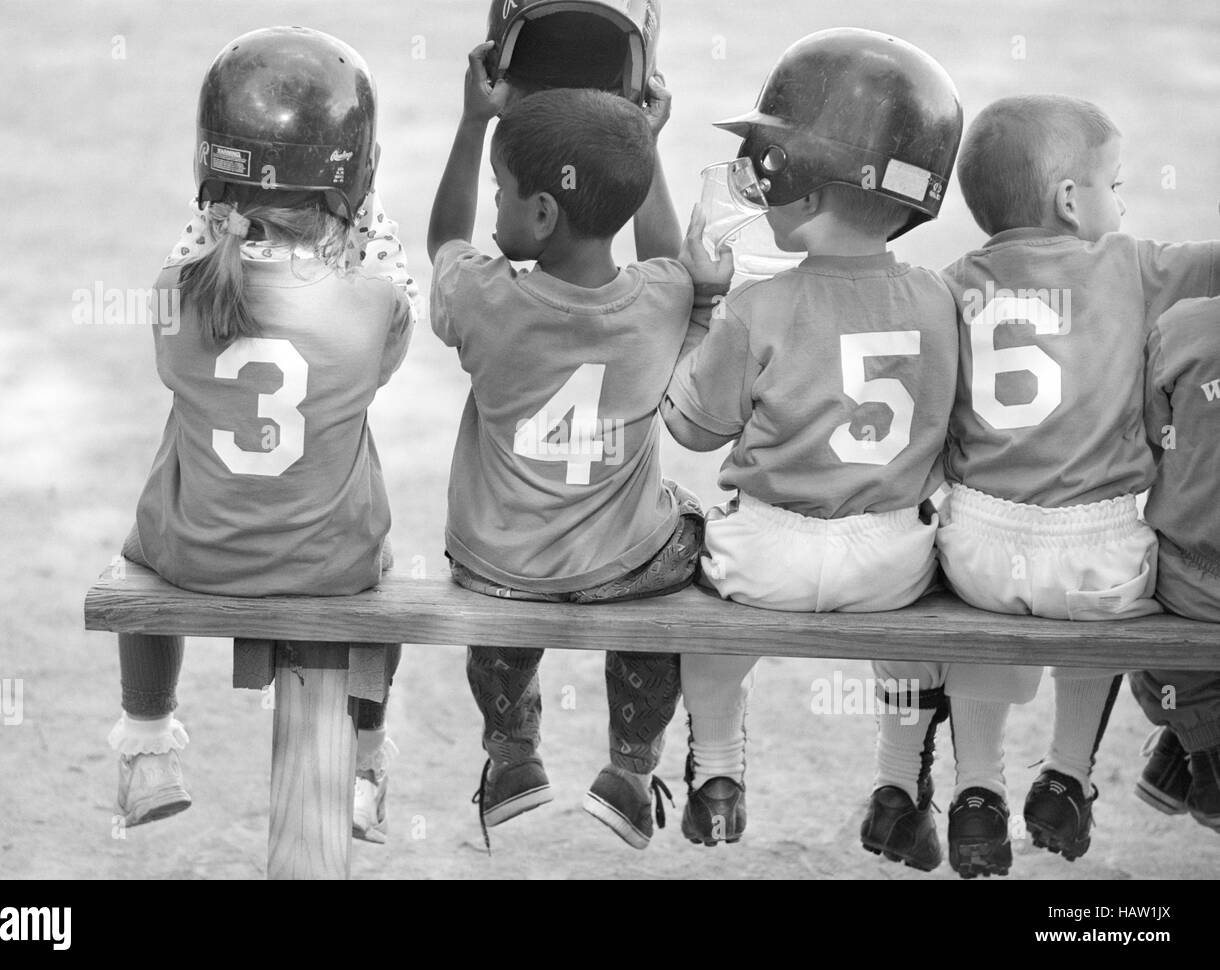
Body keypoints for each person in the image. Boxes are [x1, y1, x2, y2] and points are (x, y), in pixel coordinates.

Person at [662, 28, 963, 864]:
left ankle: (717, 769)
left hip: (769, 551)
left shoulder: (758, 308)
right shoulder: (939, 299)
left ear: (798, 179)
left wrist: (700, 310)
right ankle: (901, 785)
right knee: (924, 642)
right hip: (888, 559)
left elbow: (689, 427)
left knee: (711, 629)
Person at [109, 27, 413, 847]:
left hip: (194, 554)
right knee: (381, 571)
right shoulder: (369, 301)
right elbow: (386, 349)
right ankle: (364, 765)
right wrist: (366, 215)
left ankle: (147, 744)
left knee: (138, 552)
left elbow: (188, 325)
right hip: (330, 565)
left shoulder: (180, 288)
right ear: (358, 176)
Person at [427, 43, 702, 851]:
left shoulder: (484, 297)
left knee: (489, 571)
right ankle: (628, 766)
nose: (492, 208)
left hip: (500, 566)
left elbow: (444, 238)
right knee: (683, 546)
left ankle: (513, 755)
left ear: (542, 214)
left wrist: (474, 121)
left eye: (503, 193)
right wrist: (646, 146)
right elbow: (670, 259)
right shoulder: (663, 300)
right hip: (624, 567)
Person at [936, 94, 1220, 876]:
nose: (1123, 203)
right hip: (1098, 557)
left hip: (980, 551)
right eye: (1116, 186)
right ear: (1071, 199)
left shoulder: (954, 282)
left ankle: (977, 790)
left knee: (972, 613)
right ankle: (1068, 771)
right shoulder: (1129, 265)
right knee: (1120, 583)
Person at [1130, 295, 1220, 833]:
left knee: (1141, 601)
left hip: (1195, 583)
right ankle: (1195, 753)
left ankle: (1199, 749)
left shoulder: (1183, 327)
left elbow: (1150, 445)